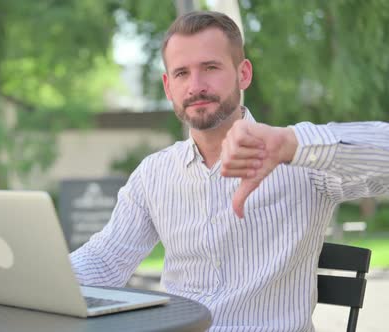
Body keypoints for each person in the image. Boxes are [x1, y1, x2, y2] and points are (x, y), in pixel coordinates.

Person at [70, 10, 389, 332]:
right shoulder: (153, 174)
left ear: (243, 74)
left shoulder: (301, 161)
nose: (195, 86)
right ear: (168, 87)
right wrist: (32, 280)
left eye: (210, 67)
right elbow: (106, 260)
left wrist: (290, 145)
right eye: (181, 73)